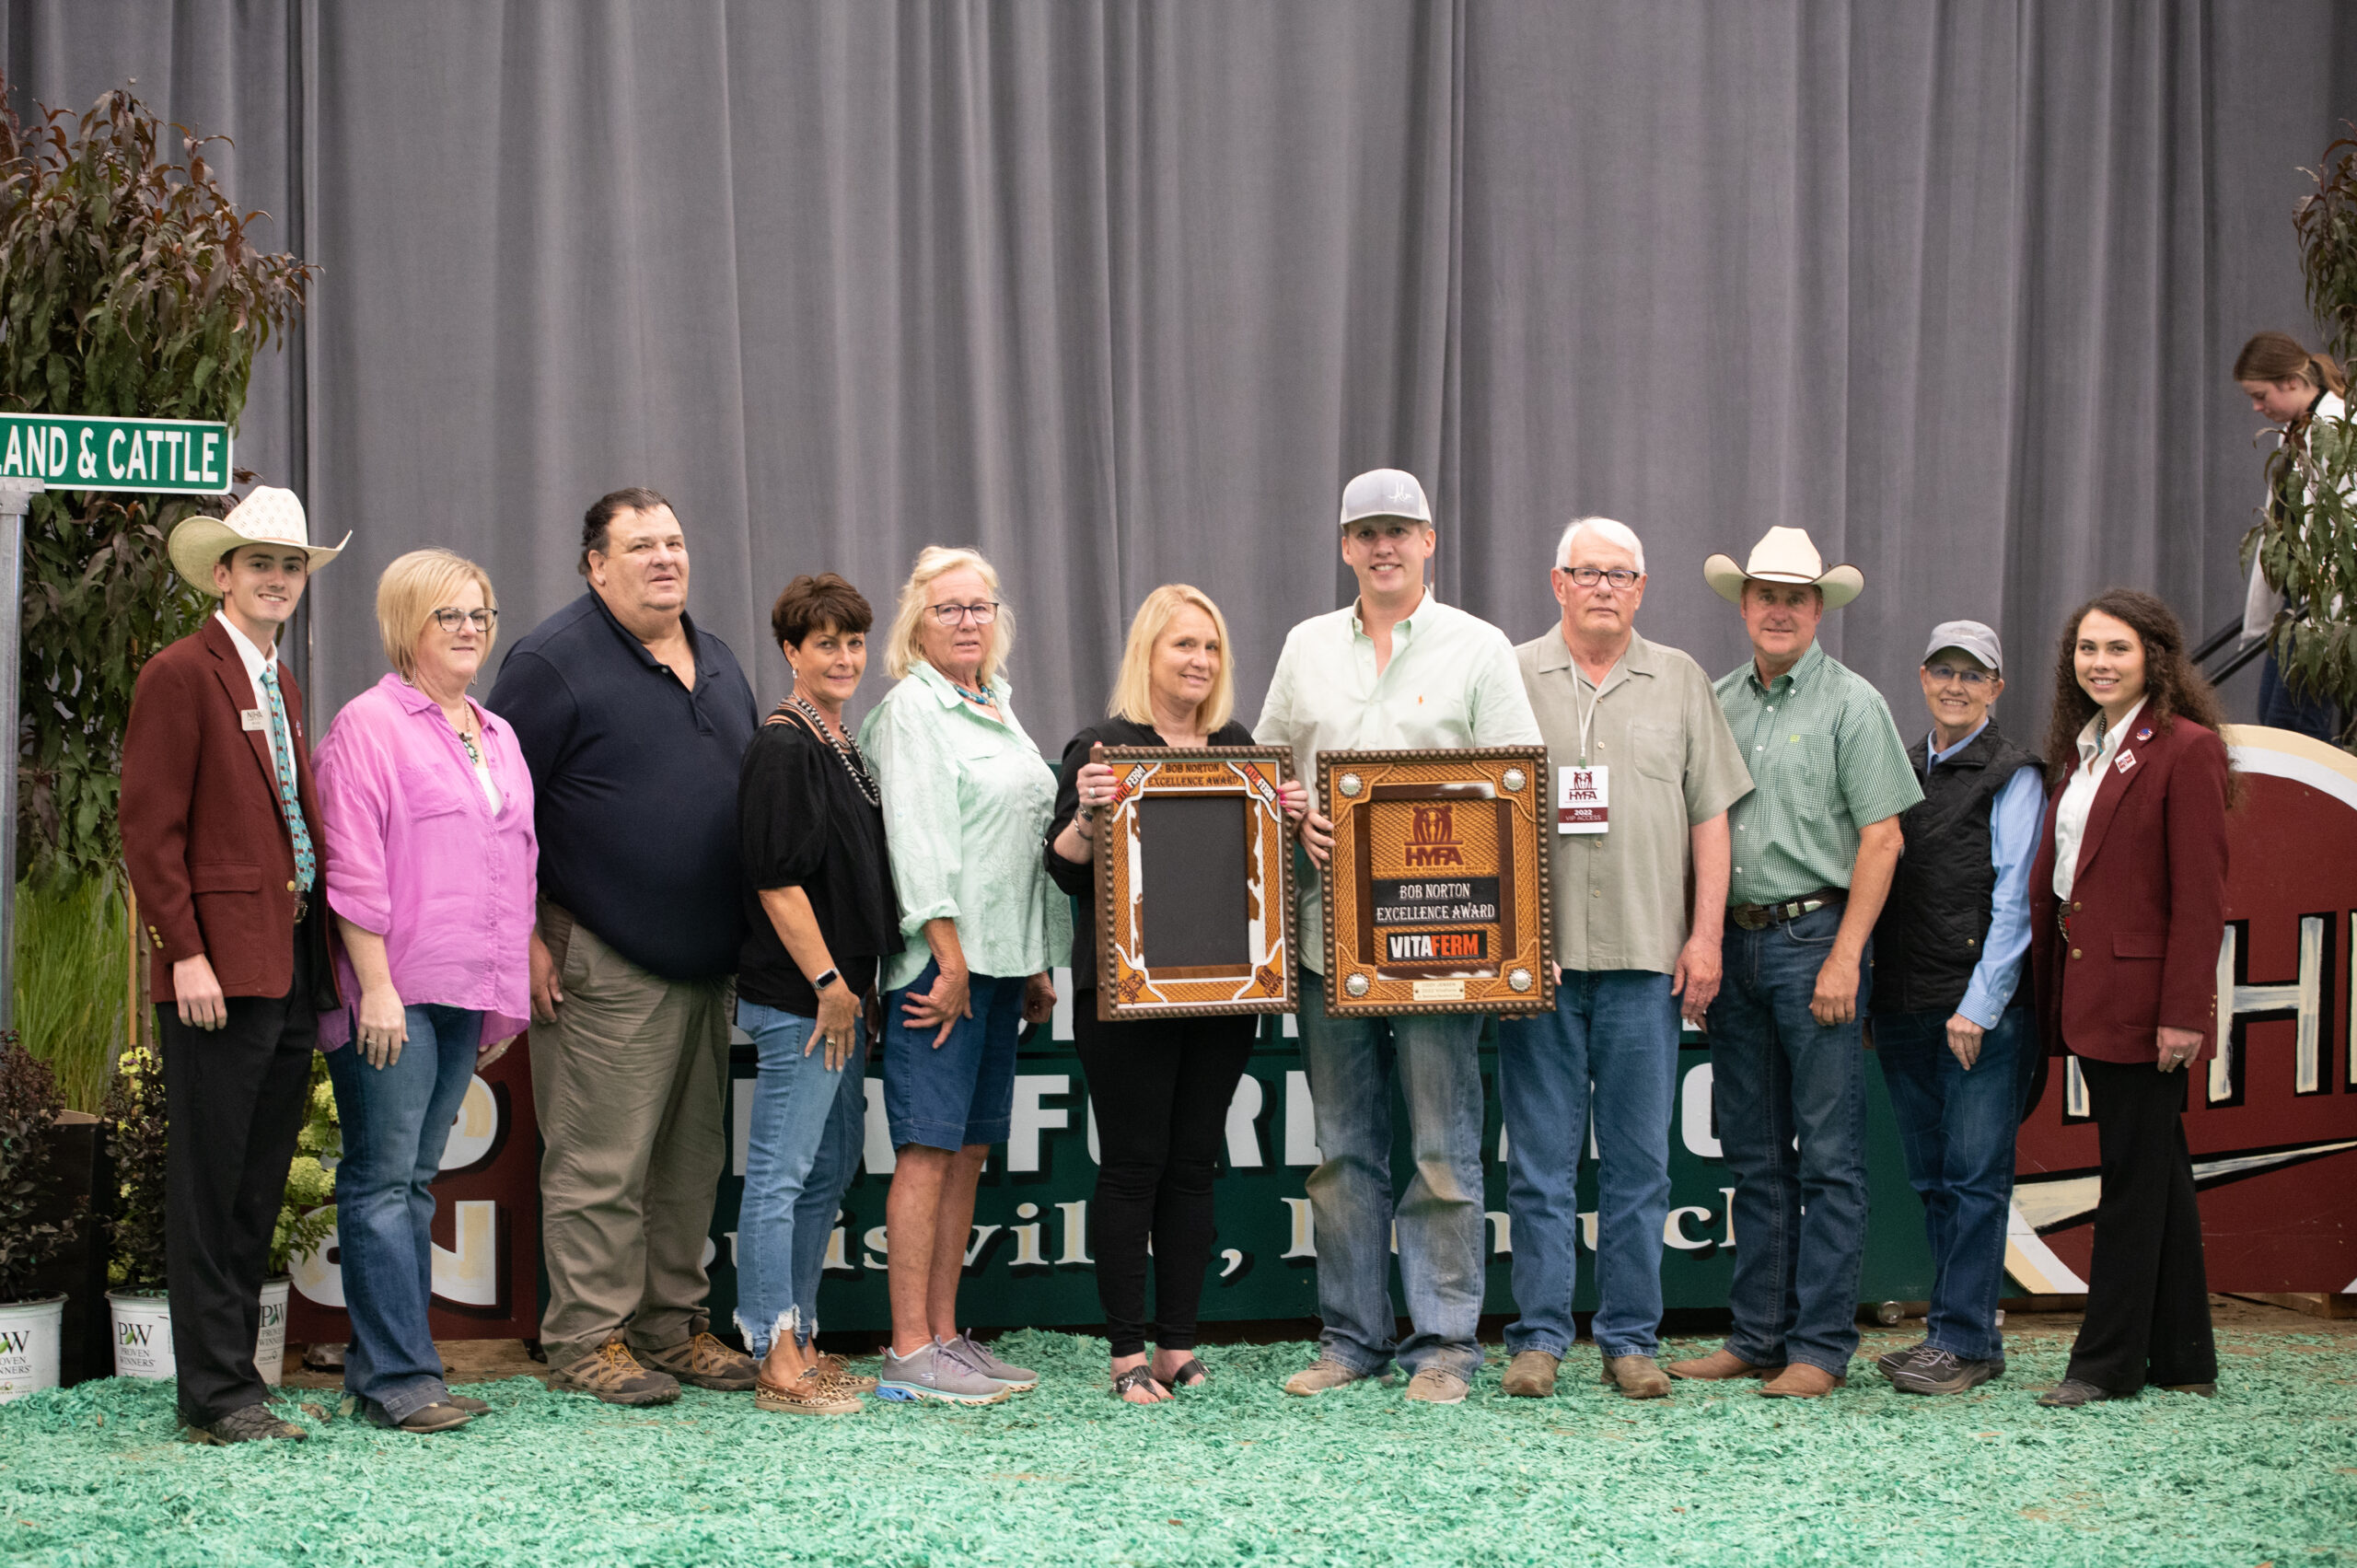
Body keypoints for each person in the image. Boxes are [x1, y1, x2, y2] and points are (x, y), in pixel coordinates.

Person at [1254, 468, 1544, 1405]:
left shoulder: (1477, 648)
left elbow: (1519, 788)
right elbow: (1265, 779)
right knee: (1341, 1149)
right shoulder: (1305, 648)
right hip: (1322, 939)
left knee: (1442, 1145)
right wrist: (1296, 815)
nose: (1383, 545)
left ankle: (1447, 1342)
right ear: (1345, 545)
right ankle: (1349, 1335)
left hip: (1444, 951)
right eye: (1366, 531)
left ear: (1430, 539)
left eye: (1400, 529)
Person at [486, 487, 760, 1405]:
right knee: (599, 1166)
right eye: (640, 545)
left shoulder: (717, 660)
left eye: (675, 541)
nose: (665, 559)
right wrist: (521, 932)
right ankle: (585, 1336)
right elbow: (499, 805)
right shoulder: (550, 662)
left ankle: (669, 1325)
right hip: (602, 956)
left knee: (688, 1165)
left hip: (705, 963)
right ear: (594, 564)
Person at [1496, 517, 1751, 1402]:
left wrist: (1706, 934)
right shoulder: (1510, 676)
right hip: (1543, 968)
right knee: (1538, 1162)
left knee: (1641, 1166)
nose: (1604, 586)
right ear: (1556, 580)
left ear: (1642, 588)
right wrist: (1510, 944)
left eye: (1621, 573)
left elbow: (1710, 819)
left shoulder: (1679, 678)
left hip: (1650, 963)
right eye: (1587, 571)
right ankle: (1537, 1338)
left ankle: (1631, 1339)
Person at [1667, 526, 1922, 1400]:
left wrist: (1848, 953)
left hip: (1817, 939)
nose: (1780, 609)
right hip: (1734, 942)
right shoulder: (1719, 701)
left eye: (1797, 597)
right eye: (1766, 595)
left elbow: (1883, 839)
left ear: (1820, 610)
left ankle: (1820, 1347)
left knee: (1829, 1157)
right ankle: (1758, 1334)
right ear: (1744, 606)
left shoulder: (1854, 703)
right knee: (1753, 1154)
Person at [121, 486, 350, 1444]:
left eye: (290, 565)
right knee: (213, 1185)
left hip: (284, 962)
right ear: (223, 574)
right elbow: (150, 830)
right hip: (218, 971)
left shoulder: (278, 681)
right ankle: (213, 1395)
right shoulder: (180, 673)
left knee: (256, 1180)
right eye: (260, 562)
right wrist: (187, 956)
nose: (277, 578)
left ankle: (238, 1383)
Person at [1046, 585, 1306, 1403]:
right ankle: (1126, 1352)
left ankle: (1176, 1344)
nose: (1198, 661)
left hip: (1224, 993)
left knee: (1195, 1166)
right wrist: (1091, 815)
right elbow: (1059, 866)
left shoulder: (1240, 745)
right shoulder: (1100, 746)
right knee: (1132, 1167)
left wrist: (1287, 817)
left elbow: (1256, 871)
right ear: (1147, 655)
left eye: (1211, 647)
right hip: (1126, 995)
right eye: (1182, 645)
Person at [312, 549, 536, 1434]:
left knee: (413, 1181)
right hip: (392, 991)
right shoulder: (368, 725)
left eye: (480, 612)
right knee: (383, 1182)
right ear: (407, 624)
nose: (471, 629)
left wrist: (502, 993)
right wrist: (374, 986)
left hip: (464, 987)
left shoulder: (498, 732)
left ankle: (397, 1372)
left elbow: (517, 867)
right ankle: (400, 1379)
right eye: (450, 614)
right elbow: (353, 868)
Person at [860, 546, 1068, 1404]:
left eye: (980, 606)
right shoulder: (912, 708)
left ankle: (947, 1334)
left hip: (1000, 966)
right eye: (948, 608)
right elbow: (920, 840)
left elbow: (1015, 845)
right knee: (927, 1148)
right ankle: (909, 1346)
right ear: (918, 623)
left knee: (969, 1150)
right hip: (940, 970)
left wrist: (1035, 962)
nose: (968, 621)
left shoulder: (998, 706)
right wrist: (946, 957)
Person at [2027, 589, 2233, 1409]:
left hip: (2147, 1007)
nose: (2099, 663)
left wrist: (2185, 1009)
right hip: (2093, 994)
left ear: (2155, 656)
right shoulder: (2084, 751)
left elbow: (2201, 895)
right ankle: (2184, 1355)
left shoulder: (2186, 749)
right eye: (2086, 649)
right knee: (2160, 1171)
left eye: (2116, 648)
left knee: (2132, 1179)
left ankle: (2106, 1363)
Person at [733, 574, 899, 1417]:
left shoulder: (842, 743)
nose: (842, 656)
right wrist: (831, 983)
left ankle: (802, 1332)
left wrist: (853, 990)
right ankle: (771, 1347)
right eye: (823, 642)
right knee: (780, 1175)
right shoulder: (785, 743)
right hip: (803, 1001)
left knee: (825, 1172)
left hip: (842, 1002)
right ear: (791, 652)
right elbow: (775, 882)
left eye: (853, 641)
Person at [1866, 621, 2045, 1397]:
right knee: (1935, 1180)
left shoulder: (2015, 773)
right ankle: (1958, 1332)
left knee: (1976, 1178)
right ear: (1922, 675)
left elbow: (2016, 902)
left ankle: (1964, 1338)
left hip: (1975, 1014)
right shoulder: (1899, 769)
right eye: (1944, 670)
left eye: (1974, 675)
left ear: (1997, 687)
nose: (1956, 685)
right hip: (1904, 1004)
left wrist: (1980, 1005)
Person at [2234, 331, 2350, 741]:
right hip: (2296, 606)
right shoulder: (2295, 432)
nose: (2257, 406)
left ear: (2292, 382)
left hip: (2323, 611)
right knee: (2272, 720)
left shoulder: (2338, 429)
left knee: (2292, 733)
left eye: (2261, 395)